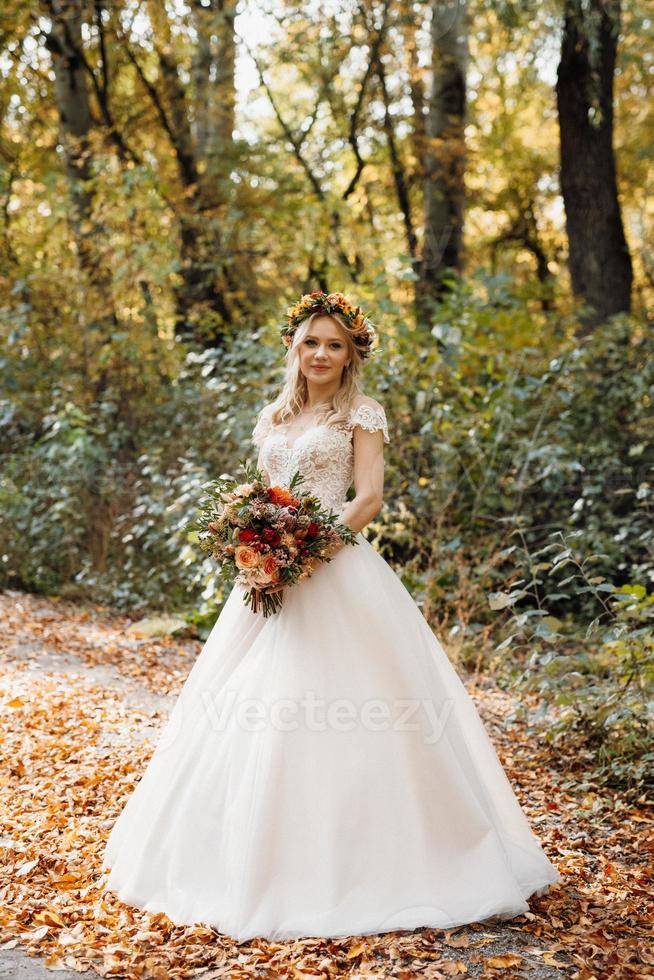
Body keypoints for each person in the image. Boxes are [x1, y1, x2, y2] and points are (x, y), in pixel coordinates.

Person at [101, 290, 560, 942]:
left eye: (335, 344)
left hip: (334, 568)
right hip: (268, 578)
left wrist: (308, 549)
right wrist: (258, 548)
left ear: (352, 354)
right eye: (311, 342)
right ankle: (247, 862)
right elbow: (263, 496)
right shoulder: (272, 417)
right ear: (294, 347)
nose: (321, 353)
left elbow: (368, 498)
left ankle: (389, 862)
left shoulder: (361, 416)